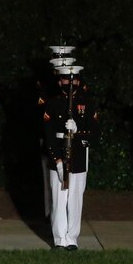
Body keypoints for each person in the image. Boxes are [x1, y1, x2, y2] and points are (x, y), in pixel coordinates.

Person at [43, 64, 98, 250]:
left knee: (75, 200)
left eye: (73, 79)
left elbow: (95, 133)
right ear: (60, 81)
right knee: (59, 200)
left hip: (79, 156)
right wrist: (57, 161)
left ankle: (72, 238)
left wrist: (78, 132)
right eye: (66, 79)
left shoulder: (87, 103)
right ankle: (59, 239)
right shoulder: (52, 103)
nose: (70, 83)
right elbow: (48, 135)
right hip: (58, 156)